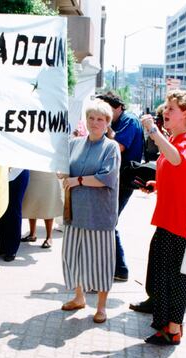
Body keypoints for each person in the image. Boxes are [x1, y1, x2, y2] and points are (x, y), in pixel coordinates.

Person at [139, 89, 186, 345]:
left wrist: (153, 132)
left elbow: (177, 161)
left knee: (176, 276)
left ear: (185, 113)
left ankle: (174, 328)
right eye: (165, 108)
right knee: (162, 273)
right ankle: (166, 323)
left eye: (171, 109)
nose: (165, 112)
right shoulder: (176, 139)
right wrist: (156, 185)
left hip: (179, 221)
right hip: (168, 217)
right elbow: (177, 172)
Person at [59, 99, 120, 324]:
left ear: (107, 123)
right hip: (74, 212)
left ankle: (101, 307)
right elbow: (66, 169)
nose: (95, 123)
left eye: (100, 119)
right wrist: (63, 175)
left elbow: (107, 177)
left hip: (99, 215)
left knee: (100, 261)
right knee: (72, 257)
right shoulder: (75, 143)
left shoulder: (111, 147)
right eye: (91, 118)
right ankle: (78, 297)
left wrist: (77, 180)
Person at [97, 92, 143, 282]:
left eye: (107, 111)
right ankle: (114, 266)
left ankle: (120, 268)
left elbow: (118, 146)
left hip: (124, 180)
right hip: (117, 178)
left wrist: (106, 127)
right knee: (107, 222)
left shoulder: (129, 121)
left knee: (109, 222)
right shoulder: (119, 121)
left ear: (117, 107)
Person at [0, 168, 29, 261]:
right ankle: (2, 247)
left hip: (18, 173)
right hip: (1, 173)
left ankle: (12, 249)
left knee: (13, 210)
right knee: (0, 209)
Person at [21, 170, 63, 249]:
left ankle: (49, 237)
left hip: (49, 175)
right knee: (32, 203)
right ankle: (32, 234)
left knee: (48, 205)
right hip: (33, 173)